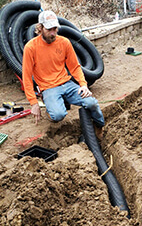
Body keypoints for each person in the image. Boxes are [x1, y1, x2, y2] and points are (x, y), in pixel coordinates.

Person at [22, 10, 104, 139]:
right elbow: (26, 77)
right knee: (58, 115)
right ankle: (51, 106)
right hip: (48, 88)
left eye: (55, 29)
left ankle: (99, 125)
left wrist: (83, 85)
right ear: (40, 28)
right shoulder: (31, 47)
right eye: (49, 29)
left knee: (91, 103)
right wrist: (33, 103)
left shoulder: (64, 42)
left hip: (67, 83)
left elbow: (75, 67)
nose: (53, 33)